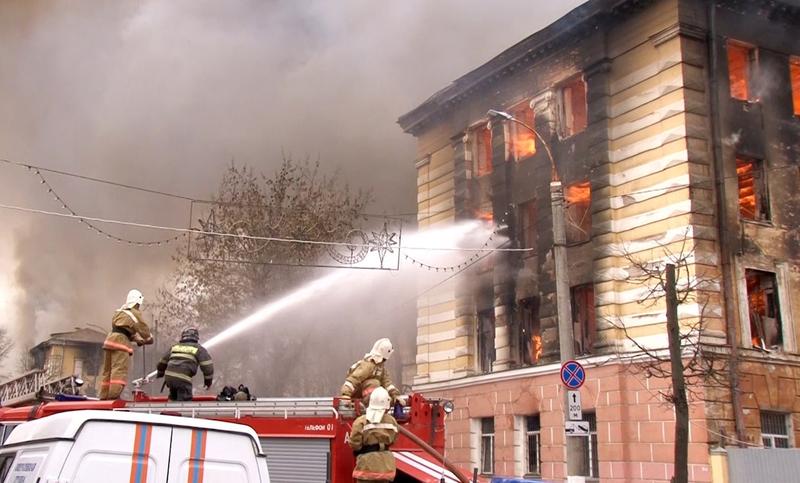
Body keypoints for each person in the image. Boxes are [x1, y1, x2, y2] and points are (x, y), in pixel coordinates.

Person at [99, 289, 154, 400]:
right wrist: (148, 339)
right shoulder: (135, 313)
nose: (139, 306)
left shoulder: (119, 312)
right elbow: (144, 330)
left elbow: (123, 329)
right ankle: (113, 396)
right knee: (119, 370)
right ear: (137, 302)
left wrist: (136, 339)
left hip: (110, 341)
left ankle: (104, 396)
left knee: (107, 371)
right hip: (120, 344)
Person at [348, 387, 399, 482]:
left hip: (367, 466)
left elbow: (354, 444)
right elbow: (394, 440)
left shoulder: (361, 421)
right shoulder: (392, 421)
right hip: (386, 467)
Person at [156, 327, 214, 401]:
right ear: (196, 337)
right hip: (183, 379)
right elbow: (207, 367)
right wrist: (208, 382)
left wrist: (160, 373)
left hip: (170, 378)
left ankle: (171, 406)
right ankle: (182, 408)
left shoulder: (175, 347)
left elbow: (162, 361)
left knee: (173, 398)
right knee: (184, 401)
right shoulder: (199, 349)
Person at [340, 338, 400, 407]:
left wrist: (395, 395)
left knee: (381, 389)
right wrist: (346, 395)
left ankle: (382, 404)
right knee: (374, 383)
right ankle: (368, 405)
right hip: (357, 395)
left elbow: (387, 383)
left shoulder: (381, 368)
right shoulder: (367, 365)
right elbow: (354, 379)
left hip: (369, 397)